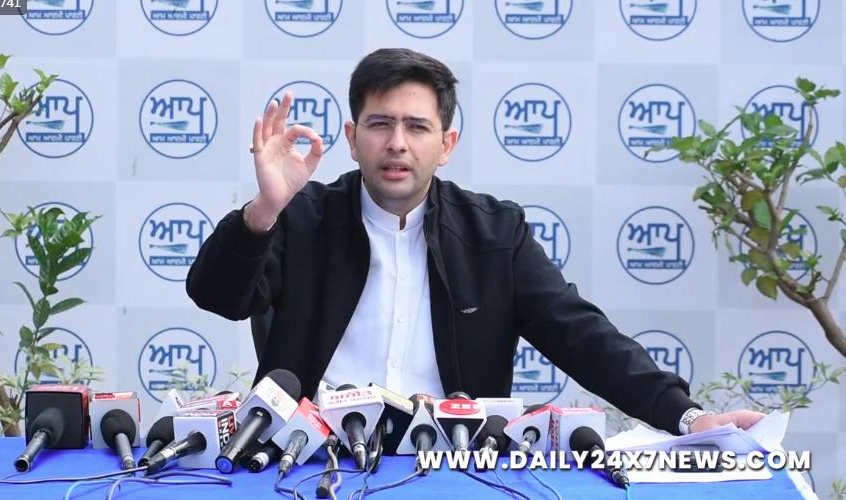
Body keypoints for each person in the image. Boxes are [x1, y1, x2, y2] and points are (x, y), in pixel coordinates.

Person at [187, 48, 763, 436]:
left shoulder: (494, 232)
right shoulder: (299, 216)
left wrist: (687, 417)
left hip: (453, 462)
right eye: (380, 124)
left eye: (417, 127)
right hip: (310, 456)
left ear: (447, 144)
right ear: (352, 138)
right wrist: (264, 208)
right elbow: (217, 296)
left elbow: (581, 335)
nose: (397, 143)